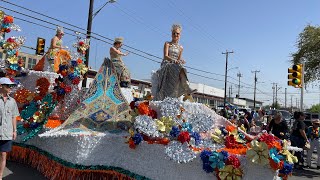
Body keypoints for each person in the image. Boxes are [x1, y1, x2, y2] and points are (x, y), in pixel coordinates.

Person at [152, 24, 196, 101]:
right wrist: (172, 60)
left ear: (180, 35)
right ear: (171, 34)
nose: (175, 35)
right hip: (166, 64)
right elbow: (165, 56)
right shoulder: (167, 43)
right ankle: (186, 87)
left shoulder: (181, 48)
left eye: (177, 33)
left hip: (175, 66)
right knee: (176, 66)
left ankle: (186, 87)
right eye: (174, 33)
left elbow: (178, 60)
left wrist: (181, 60)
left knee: (182, 68)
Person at [0, 77, 19, 179]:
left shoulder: (12, 101)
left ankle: (0, 176)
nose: (10, 88)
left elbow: (14, 116)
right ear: (1, 86)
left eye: (11, 86)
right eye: (8, 86)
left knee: (3, 155)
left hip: (7, 132)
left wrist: (15, 130)